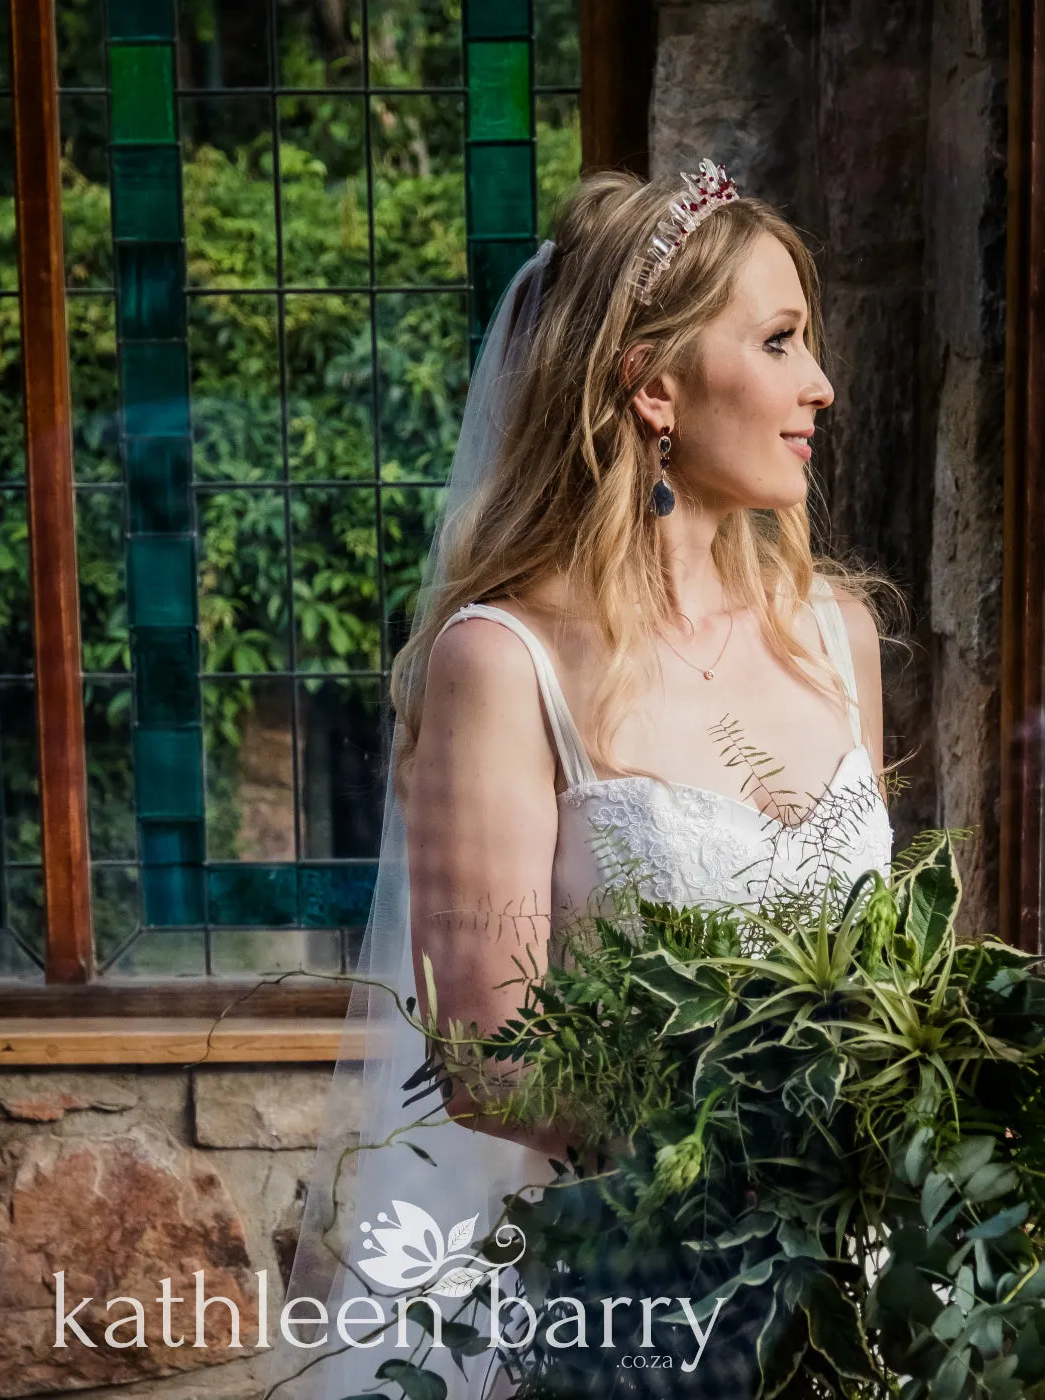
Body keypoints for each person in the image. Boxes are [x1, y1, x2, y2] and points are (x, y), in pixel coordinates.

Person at [264, 159, 899, 1400]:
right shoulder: (503, 663)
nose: (818, 383)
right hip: (632, 1295)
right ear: (651, 383)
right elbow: (486, 1057)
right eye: (778, 341)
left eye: (807, 343)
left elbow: (884, 965)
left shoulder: (834, 635)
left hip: (856, 1279)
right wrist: (742, 1129)